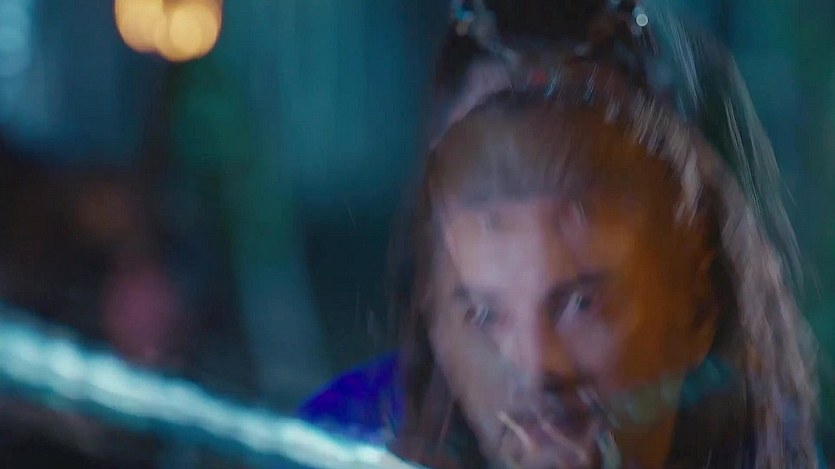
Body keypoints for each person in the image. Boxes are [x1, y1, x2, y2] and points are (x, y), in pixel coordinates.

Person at [301, 1, 822, 467]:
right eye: (478, 153)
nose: (533, 365)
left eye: (583, 140)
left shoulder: (773, 440)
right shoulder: (341, 438)